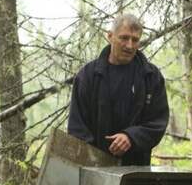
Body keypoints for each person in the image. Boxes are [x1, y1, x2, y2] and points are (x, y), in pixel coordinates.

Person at [68, 13, 169, 166]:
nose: (129, 45)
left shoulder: (150, 76)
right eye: (124, 38)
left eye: (135, 40)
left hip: (136, 172)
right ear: (110, 36)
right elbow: (77, 128)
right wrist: (95, 159)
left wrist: (131, 137)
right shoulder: (87, 76)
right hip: (94, 171)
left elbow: (158, 122)